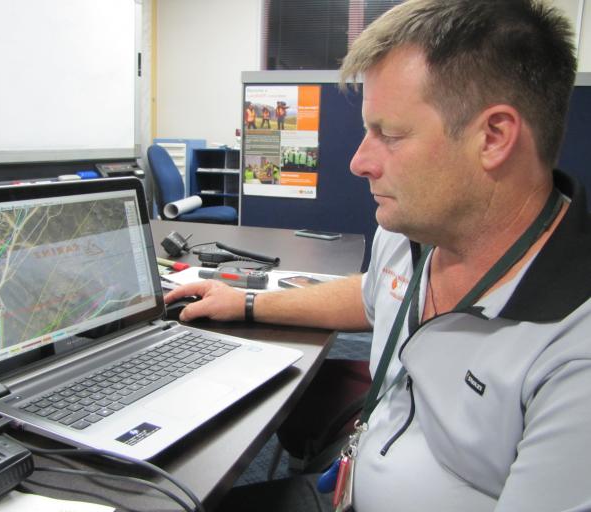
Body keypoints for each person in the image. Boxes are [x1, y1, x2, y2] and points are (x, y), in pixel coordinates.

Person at [165, 0, 591, 510]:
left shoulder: (574, 345)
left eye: (389, 135)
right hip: (348, 483)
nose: (359, 161)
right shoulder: (412, 228)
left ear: (494, 136)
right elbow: (373, 296)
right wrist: (246, 303)